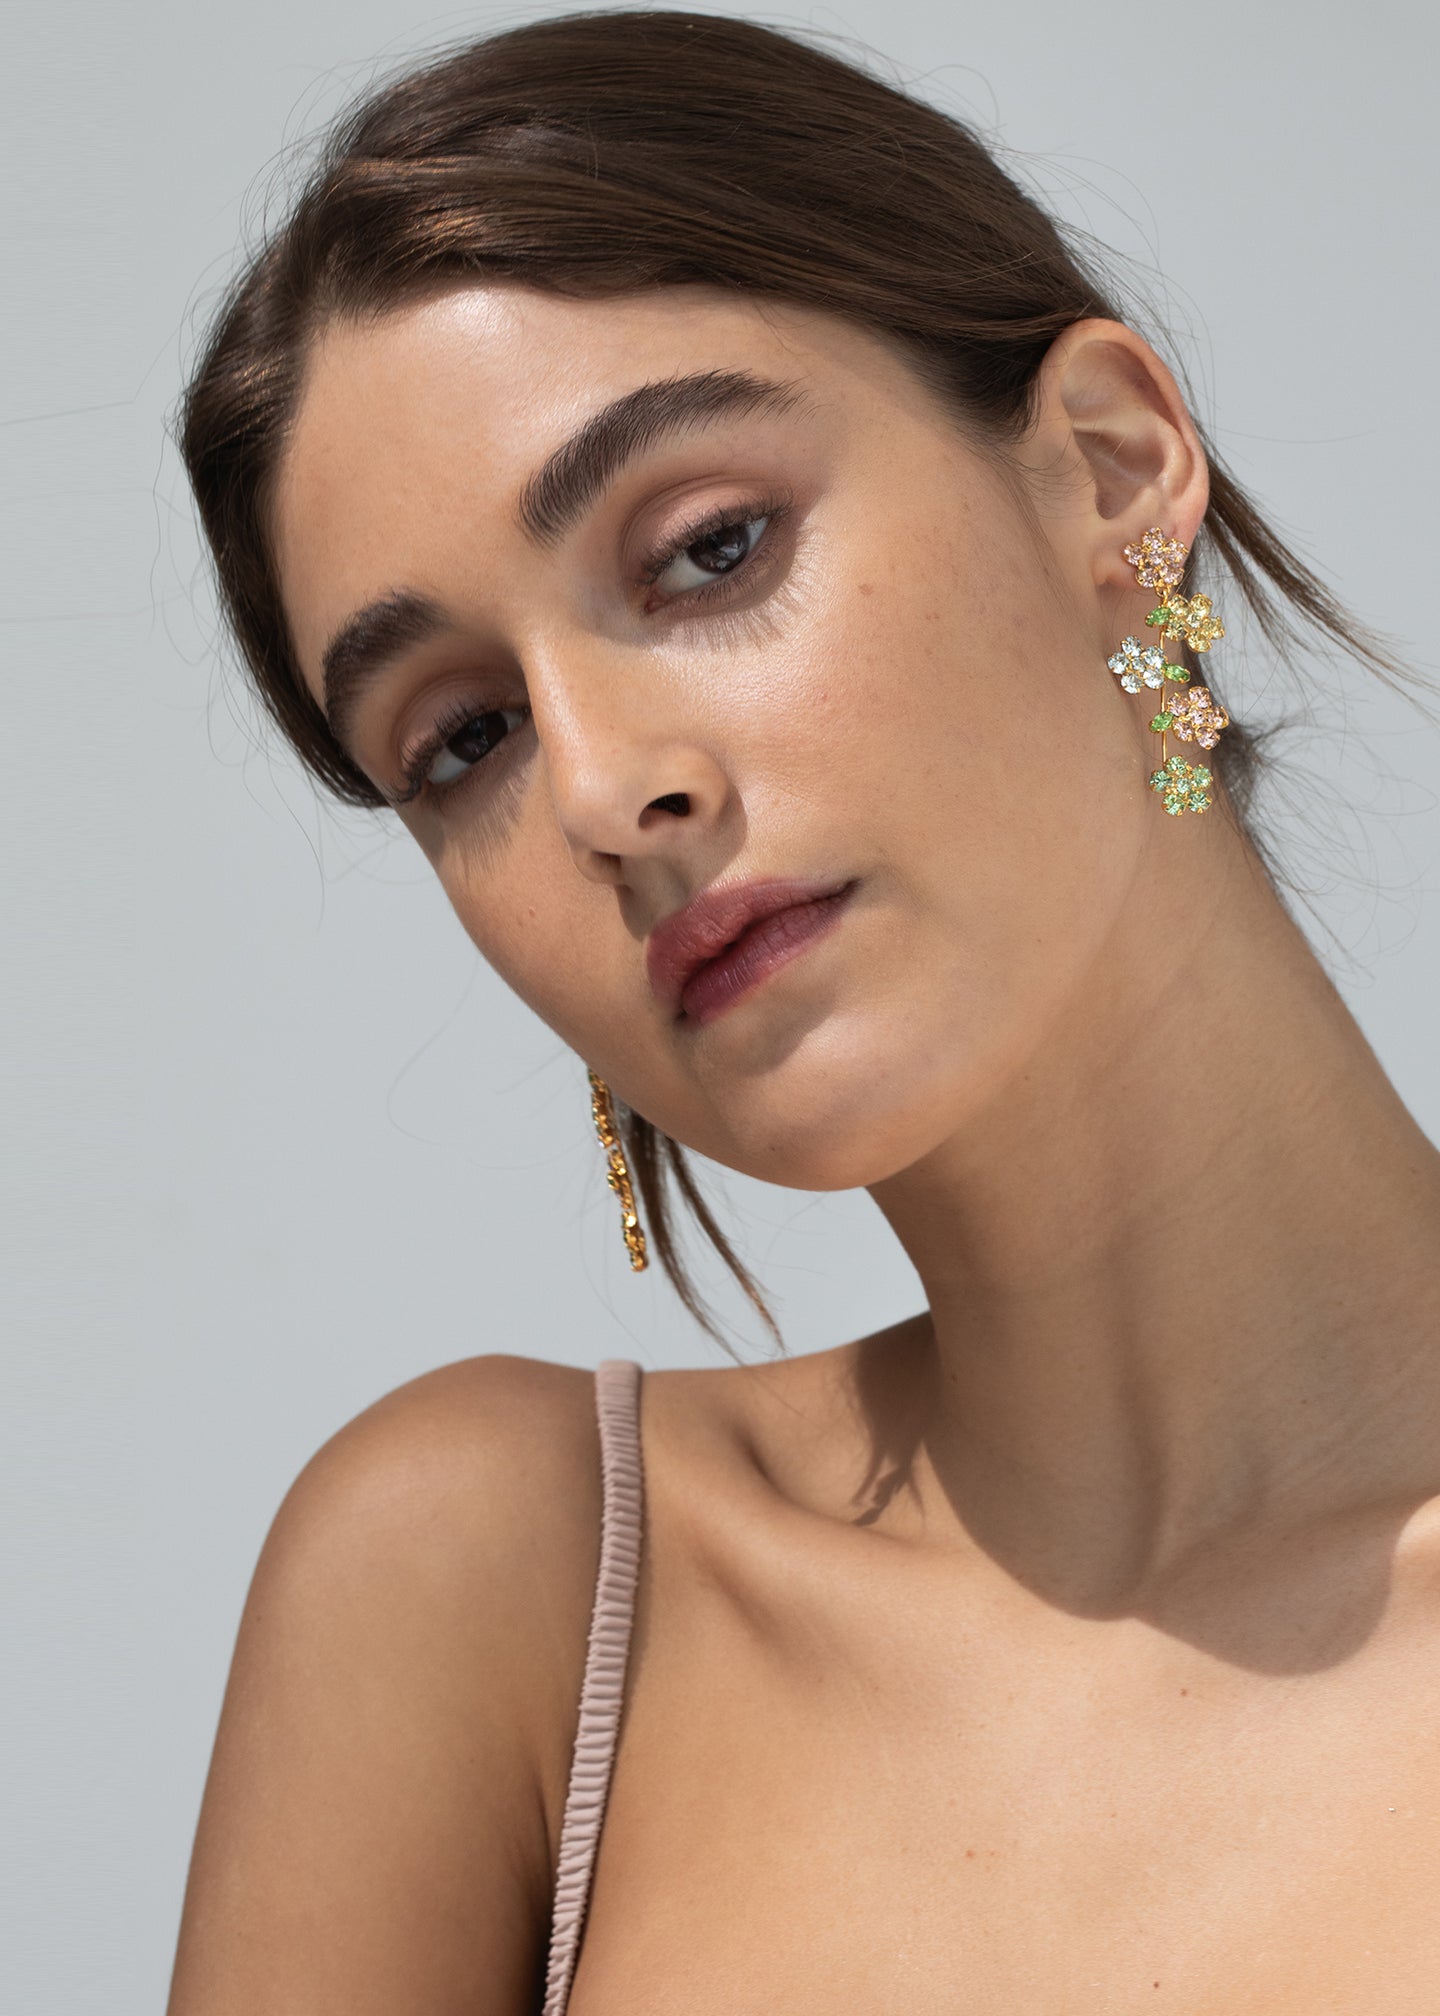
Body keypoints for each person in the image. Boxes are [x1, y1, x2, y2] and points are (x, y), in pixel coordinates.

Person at [168, 11, 1440, 2009]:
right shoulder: (499, 1594)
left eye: (706, 551)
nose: (603, 792)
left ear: (1110, 475)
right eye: (466, 738)